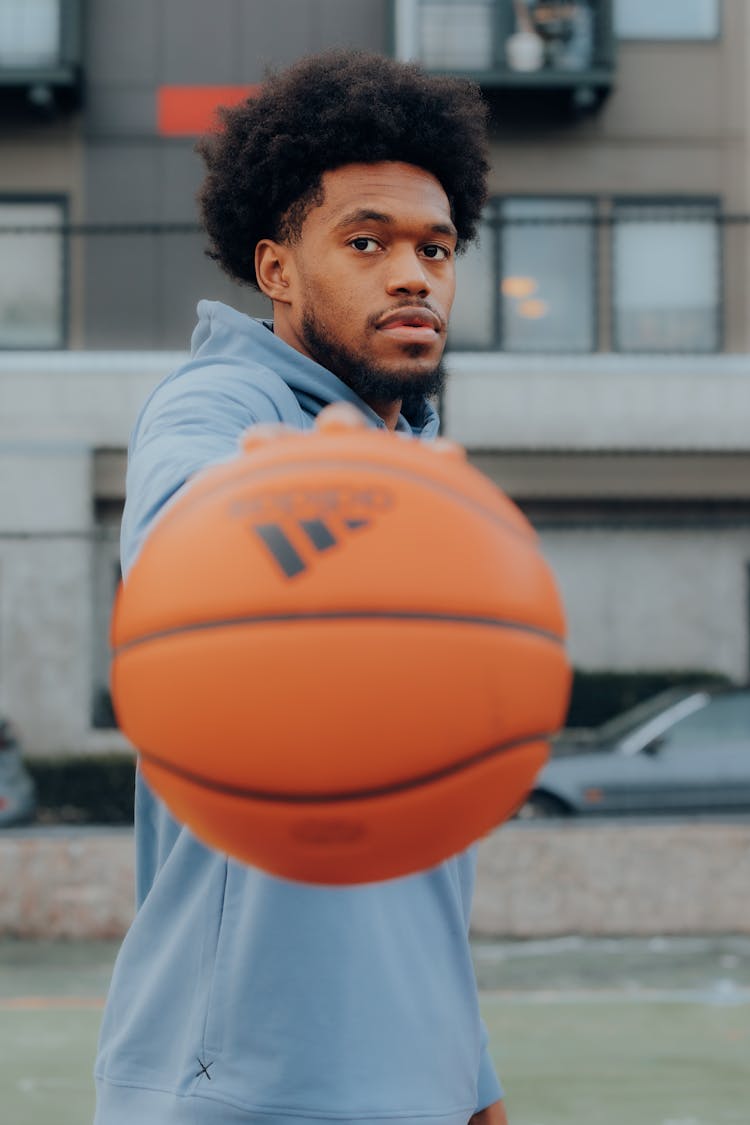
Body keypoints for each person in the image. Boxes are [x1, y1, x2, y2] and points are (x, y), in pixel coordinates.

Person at [94, 50, 508, 1125]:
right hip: (239, 1087)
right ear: (278, 272)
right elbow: (189, 533)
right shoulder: (216, 404)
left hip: (419, 1080)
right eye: (365, 243)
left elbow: (420, 819)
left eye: (435, 247)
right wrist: (330, 496)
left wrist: (473, 1074)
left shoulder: (422, 459)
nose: (413, 273)